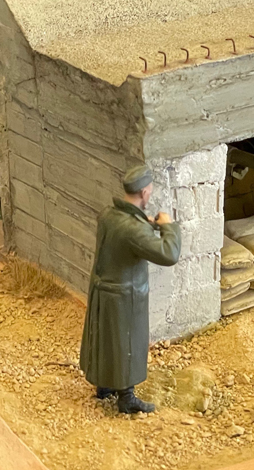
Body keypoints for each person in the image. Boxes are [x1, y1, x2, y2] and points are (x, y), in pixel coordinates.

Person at [79, 164, 182, 414]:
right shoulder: (134, 230)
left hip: (103, 289)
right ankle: (127, 397)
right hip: (127, 295)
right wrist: (168, 227)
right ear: (145, 192)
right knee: (128, 344)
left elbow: (126, 231)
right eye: (150, 191)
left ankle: (104, 385)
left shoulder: (108, 215)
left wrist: (145, 224)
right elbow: (169, 254)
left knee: (106, 339)